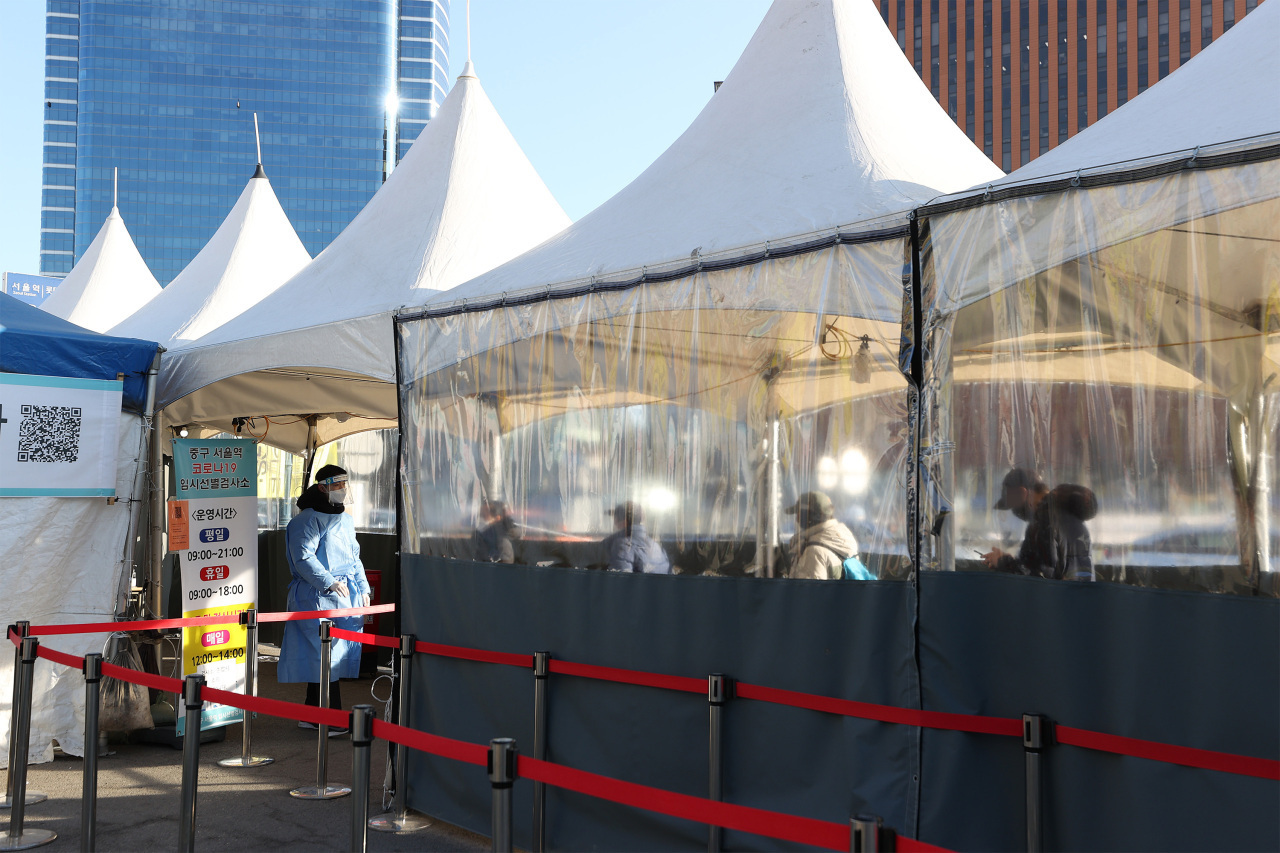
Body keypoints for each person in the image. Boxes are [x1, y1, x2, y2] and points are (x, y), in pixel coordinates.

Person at [278, 464, 371, 732]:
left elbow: (354, 557)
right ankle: (332, 720)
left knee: (329, 655)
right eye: (337, 484)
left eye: (345, 484)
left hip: (343, 596)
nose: (342, 490)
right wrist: (328, 581)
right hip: (315, 596)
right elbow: (303, 557)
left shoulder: (345, 519)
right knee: (324, 656)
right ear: (322, 487)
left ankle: (311, 714)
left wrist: (363, 587)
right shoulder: (306, 521)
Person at [982, 467, 1098, 580]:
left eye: (1012, 504)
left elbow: (1041, 578)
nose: (1014, 511)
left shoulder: (1046, 523)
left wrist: (1003, 562)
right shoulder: (1064, 517)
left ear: (1022, 493)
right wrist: (1005, 559)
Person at [785, 491, 861, 580]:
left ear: (810, 516)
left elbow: (808, 592)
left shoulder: (813, 551)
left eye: (799, 514)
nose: (797, 519)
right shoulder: (842, 538)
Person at [602, 501, 670, 574]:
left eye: (615, 518)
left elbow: (620, 579)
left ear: (624, 521)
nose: (615, 523)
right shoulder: (656, 545)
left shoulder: (623, 545)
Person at [474, 499, 516, 563]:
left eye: (485, 516)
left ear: (498, 518)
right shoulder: (480, 534)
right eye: (481, 515)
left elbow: (507, 561)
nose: (481, 519)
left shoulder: (503, 538)